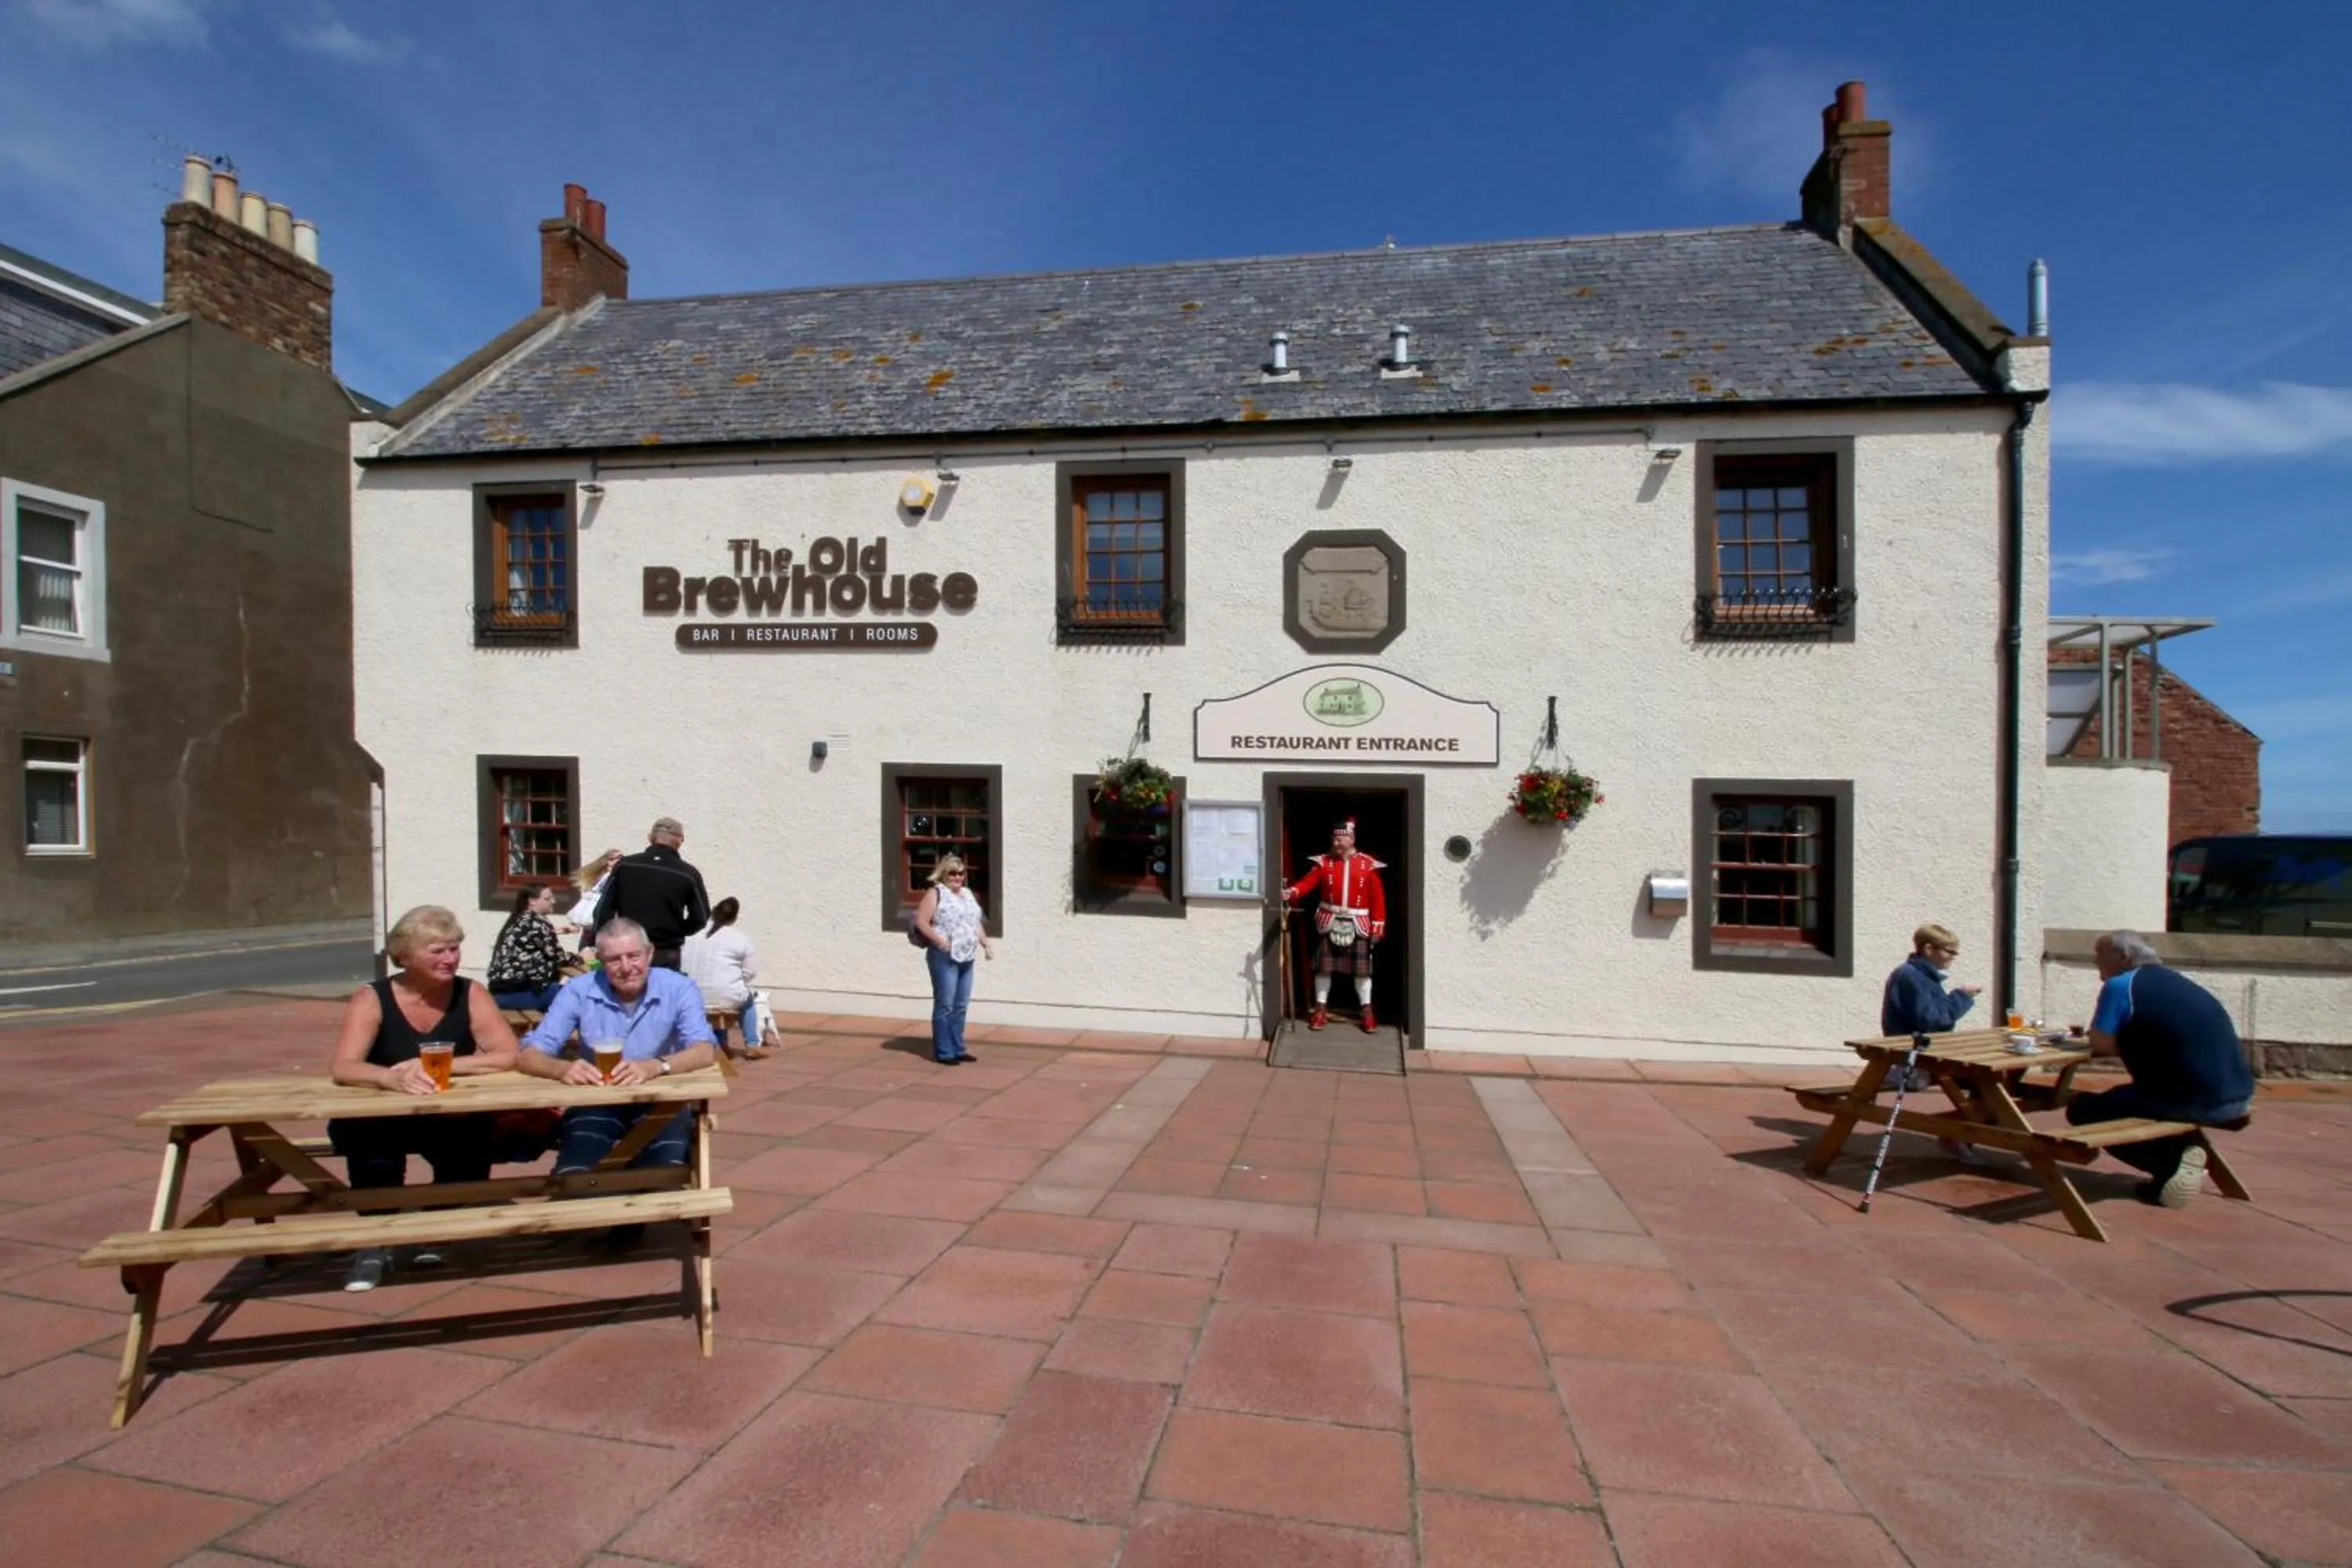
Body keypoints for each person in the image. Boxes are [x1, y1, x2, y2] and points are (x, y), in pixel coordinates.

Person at [327, 904, 521, 1290]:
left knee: (472, 1141)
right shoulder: (372, 997)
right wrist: (390, 1078)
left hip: (448, 1113)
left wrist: (439, 1065)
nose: (451, 959)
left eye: (454, 948)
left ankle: (433, 1227)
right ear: (405, 955)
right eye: (438, 951)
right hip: (385, 1113)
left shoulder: (470, 992)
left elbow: (508, 1054)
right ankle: (373, 1243)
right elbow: (345, 1066)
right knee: (372, 1149)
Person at [517, 917, 720, 1190]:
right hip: (598, 1099)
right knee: (575, 1179)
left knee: (661, 1177)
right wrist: (561, 1069)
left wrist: (655, 1067)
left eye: (634, 956)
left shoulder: (678, 987)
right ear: (600, 960)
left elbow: (704, 1049)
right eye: (614, 960)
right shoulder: (579, 991)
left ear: (649, 954)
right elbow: (529, 1054)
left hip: (659, 1100)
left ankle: (632, 1220)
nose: (626, 967)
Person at [2065, 928, 2255, 1208]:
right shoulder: (2176, 981)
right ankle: (2180, 1154)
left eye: (2099, 953)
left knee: (2083, 1109)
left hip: (2193, 1100)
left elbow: (2101, 1043)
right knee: (2121, 1098)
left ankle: (2171, 1163)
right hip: (2237, 1095)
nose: (2095, 961)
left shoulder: (2121, 986)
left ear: (2123, 957)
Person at [1877, 921, 1987, 1162]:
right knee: (1983, 1077)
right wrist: (1961, 995)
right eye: (1949, 951)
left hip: (1925, 1052)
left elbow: (1934, 1015)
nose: (1953, 957)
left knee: (1987, 1080)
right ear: (1929, 949)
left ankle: (1960, 1133)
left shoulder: (1923, 976)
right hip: (1913, 1057)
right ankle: (1955, 1133)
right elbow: (1932, 1020)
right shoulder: (1911, 977)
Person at [1283, 818, 1388, 1033]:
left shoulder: (1369, 865)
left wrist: (1378, 927)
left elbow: (1378, 899)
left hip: (1358, 923)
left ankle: (1366, 1011)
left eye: (1340, 839)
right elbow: (1307, 883)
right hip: (1328, 922)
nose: (1336, 843)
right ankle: (1320, 1009)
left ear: (1352, 839)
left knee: (1362, 972)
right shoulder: (1324, 863)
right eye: (1334, 839)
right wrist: (1292, 892)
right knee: (1324, 969)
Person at [593, 818, 710, 970]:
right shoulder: (687, 873)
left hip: (627, 950)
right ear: (680, 841)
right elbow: (701, 917)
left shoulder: (626, 865)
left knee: (625, 992)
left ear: (650, 838)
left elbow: (602, 910)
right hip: (666, 951)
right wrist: (677, 930)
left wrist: (603, 941)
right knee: (663, 992)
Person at [913, 853, 994, 1064]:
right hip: (944, 956)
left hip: (967, 955)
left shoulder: (967, 894)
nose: (958, 877)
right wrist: (940, 942)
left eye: (961, 873)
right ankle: (944, 1051)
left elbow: (974, 922)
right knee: (945, 1004)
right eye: (953, 873)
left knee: (960, 1004)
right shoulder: (936, 893)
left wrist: (985, 942)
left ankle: (958, 1047)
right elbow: (922, 922)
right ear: (944, 874)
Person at [682, 896, 774, 1059]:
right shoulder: (739, 938)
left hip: (693, 994)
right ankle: (752, 1044)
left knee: (719, 995)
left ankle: (721, 1042)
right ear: (734, 918)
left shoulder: (692, 935)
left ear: (713, 911)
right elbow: (751, 972)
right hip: (724, 993)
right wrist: (735, 980)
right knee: (747, 1000)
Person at [486, 884, 573, 1014]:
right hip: (518, 993)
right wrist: (582, 957)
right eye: (548, 898)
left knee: (557, 994)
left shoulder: (519, 918)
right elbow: (560, 958)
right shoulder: (536, 922)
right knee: (575, 995)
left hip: (501, 992)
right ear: (532, 901)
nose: (553, 901)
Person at [570, 847, 623, 952]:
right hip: (597, 919)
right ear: (607, 862)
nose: (618, 860)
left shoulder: (605, 877)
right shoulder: (607, 877)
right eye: (614, 858)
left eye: (621, 858)